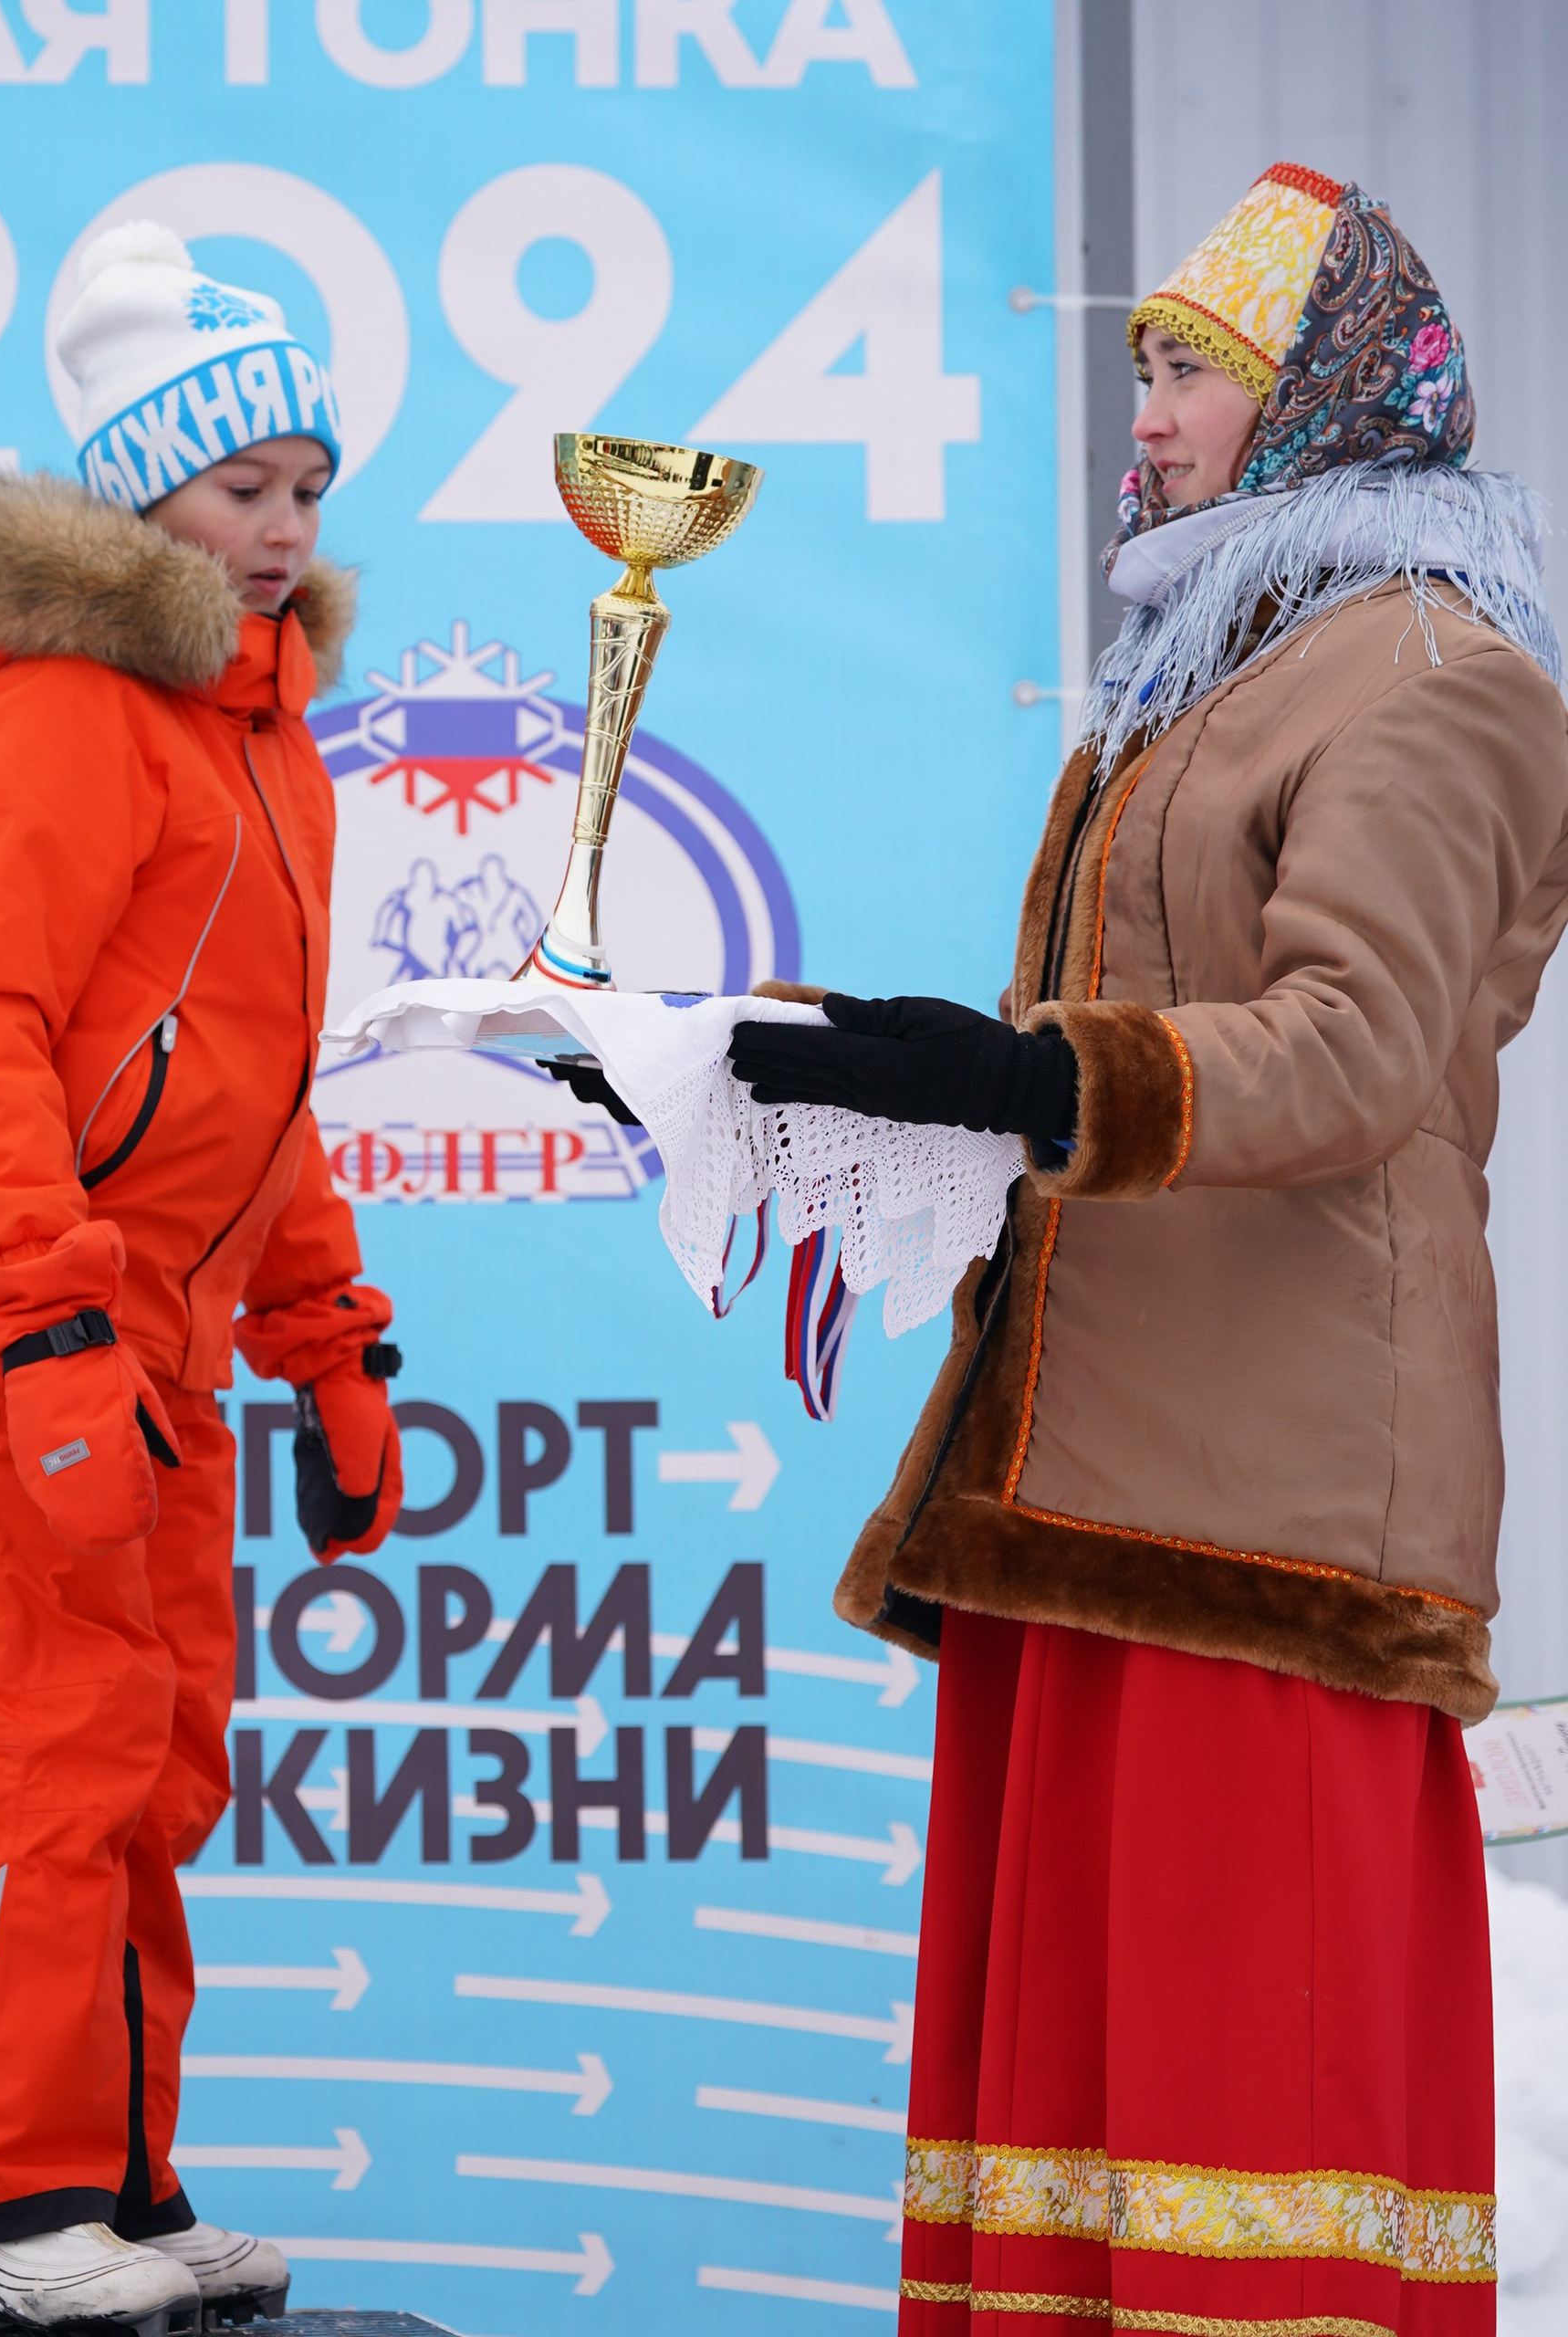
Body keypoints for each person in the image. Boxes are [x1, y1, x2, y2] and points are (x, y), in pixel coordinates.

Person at [729, 163, 1567, 2333]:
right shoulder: (1208, 675)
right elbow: (1102, 1043)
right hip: (1087, 1480)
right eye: (1144, 370)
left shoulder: (1425, 670)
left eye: (1189, 369)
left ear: (1323, 398)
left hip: (1262, 1517)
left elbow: (1350, 1049)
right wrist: (810, 1075)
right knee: (1068, 2166)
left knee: (1233, 2165)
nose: (1149, 412)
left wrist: (1017, 1079)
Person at [0, 221, 406, 2337]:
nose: (279, 529)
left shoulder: (270, 751)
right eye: (240, 486)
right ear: (137, 488)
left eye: (307, 491)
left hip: (145, 1318)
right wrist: (48, 1313)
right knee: (55, 1731)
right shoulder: (66, 712)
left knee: (157, 1747)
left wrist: (321, 1337)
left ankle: (111, 2185)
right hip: (4, 1301)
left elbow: (259, 1100)